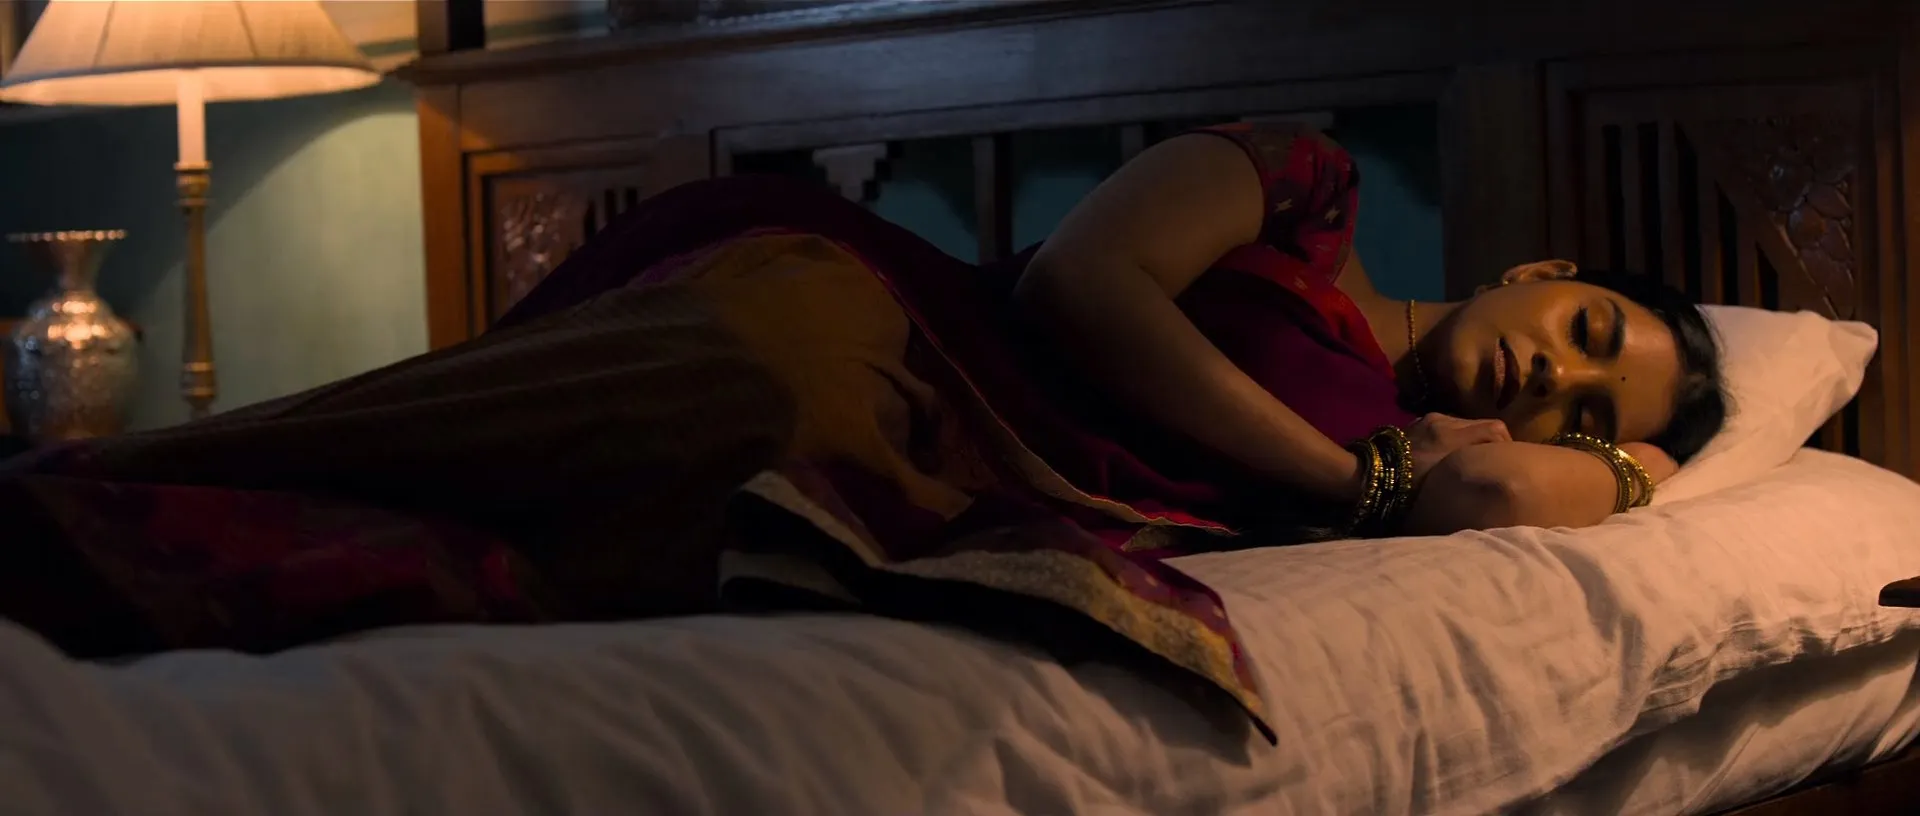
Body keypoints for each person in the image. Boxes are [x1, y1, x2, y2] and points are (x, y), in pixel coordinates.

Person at [0, 123, 1725, 723]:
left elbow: (1494, 500)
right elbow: (1082, 288)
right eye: (1584, 331)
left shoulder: (1444, 459)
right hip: (863, 319)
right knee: (759, 393)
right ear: (1540, 269)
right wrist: (1349, 478)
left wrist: (1642, 464)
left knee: (603, 560)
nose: (1553, 377)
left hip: (920, 472)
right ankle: (78, 499)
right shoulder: (1304, 188)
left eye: (1590, 406)